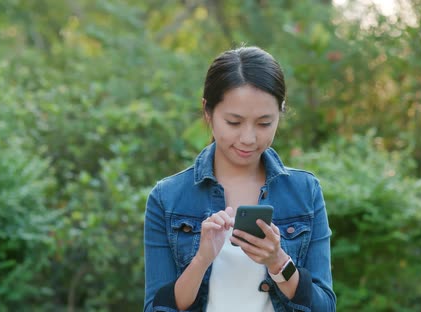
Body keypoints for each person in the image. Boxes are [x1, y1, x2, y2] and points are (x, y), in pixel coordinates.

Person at [144, 46, 336, 312]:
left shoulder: (305, 192)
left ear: (280, 113)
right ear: (208, 112)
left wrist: (278, 261)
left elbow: (325, 306)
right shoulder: (168, 197)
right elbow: (155, 308)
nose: (248, 138)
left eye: (264, 123)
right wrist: (201, 260)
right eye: (234, 122)